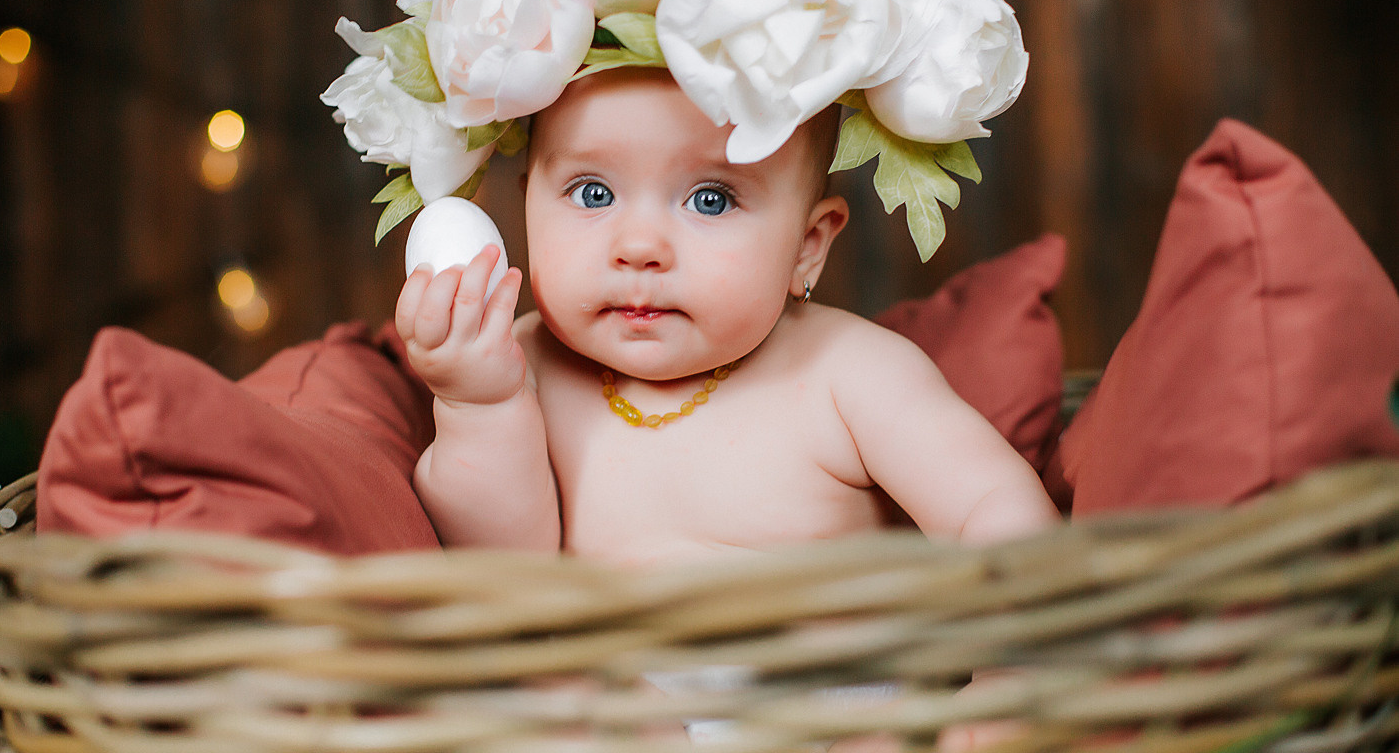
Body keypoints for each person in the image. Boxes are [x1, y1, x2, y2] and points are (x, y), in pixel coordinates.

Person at [393, 65, 1059, 562]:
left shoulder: (849, 373)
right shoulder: (521, 366)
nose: (639, 248)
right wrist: (478, 406)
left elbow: (991, 507)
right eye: (592, 192)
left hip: (825, 698)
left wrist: (1012, 670)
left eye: (711, 200)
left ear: (807, 246)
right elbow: (505, 572)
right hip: (616, 704)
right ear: (527, 203)